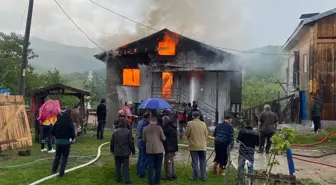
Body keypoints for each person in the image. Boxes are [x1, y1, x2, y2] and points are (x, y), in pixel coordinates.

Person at [143, 112, 166, 185]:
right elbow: (163, 138)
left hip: (149, 150)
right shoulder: (159, 128)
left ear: (150, 121)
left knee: (150, 166)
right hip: (159, 150)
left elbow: (144, 140)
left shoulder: (145, 128)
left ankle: (151, 182)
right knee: (158, 167)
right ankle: (157, 181)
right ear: (155, 121)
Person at [51, 109, 76, 177]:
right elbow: (72, 132)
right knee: (64, 157)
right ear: (69, 114)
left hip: (58, 142)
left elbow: (52, 131)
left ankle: (54, 170)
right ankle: (61, 173)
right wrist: (71, 138)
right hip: (66, 142)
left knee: (57, 156)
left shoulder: (58, 120)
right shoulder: (69, 120)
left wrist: (57, 137)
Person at [110, 118, 135, 184]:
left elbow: (112, 142)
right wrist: (133, 150)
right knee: (125, 167)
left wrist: (112, 150)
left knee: (117, 166)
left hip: (117, 152)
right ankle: (127, 179)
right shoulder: (128, 131)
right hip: (125, 152)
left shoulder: (115, 131)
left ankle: (118, 178)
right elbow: (131, 142)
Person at [185, 111, 208, 181]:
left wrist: (189, 137)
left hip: (193, 145)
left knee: (195, 162)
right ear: (199, 116)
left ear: (192, 116)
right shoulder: (203, 124)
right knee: (203, 162)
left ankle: (196, 177)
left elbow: (187, 133)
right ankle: (203, 177)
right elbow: (206, 134)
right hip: (203, 146)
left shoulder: (190, 123)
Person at [237, 119, 259, 184]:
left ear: (245, 124)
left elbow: (238, 140)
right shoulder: (256, 132)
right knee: (250, 166)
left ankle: (240, 182)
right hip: (251, 151)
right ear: (252, 124)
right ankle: (251, 181)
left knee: (241, 166)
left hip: (242, 151)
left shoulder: (242, 131)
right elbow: (258, 144)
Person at [162, 116, 178, 180]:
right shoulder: (173, 127)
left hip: (169, 147)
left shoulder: (167, 128)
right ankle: (173, 174)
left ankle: (168, 175)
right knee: (171, 161)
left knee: (168, 161)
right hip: (173, 146)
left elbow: (163, 136)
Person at [136, 112, 150, 178]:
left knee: (140, 157)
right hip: (143, 142)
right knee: (144, 158)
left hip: (139, 141)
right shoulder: (146, 124)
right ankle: (141, 173)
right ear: (147, 117)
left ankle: (138, 170)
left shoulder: (140, 122)